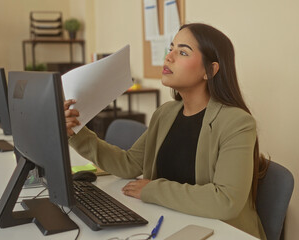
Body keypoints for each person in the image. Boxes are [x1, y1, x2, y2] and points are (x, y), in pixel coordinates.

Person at [65, 23, 268, 239]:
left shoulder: (237, 123)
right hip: (172, 222)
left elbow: (225, 201)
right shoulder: (165, 114)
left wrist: (152, 190)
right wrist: (76, 132)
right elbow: (128, 164)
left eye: (182, 52)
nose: (168, 57)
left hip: (221, 231)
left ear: (210, 70)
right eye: (171, 48)